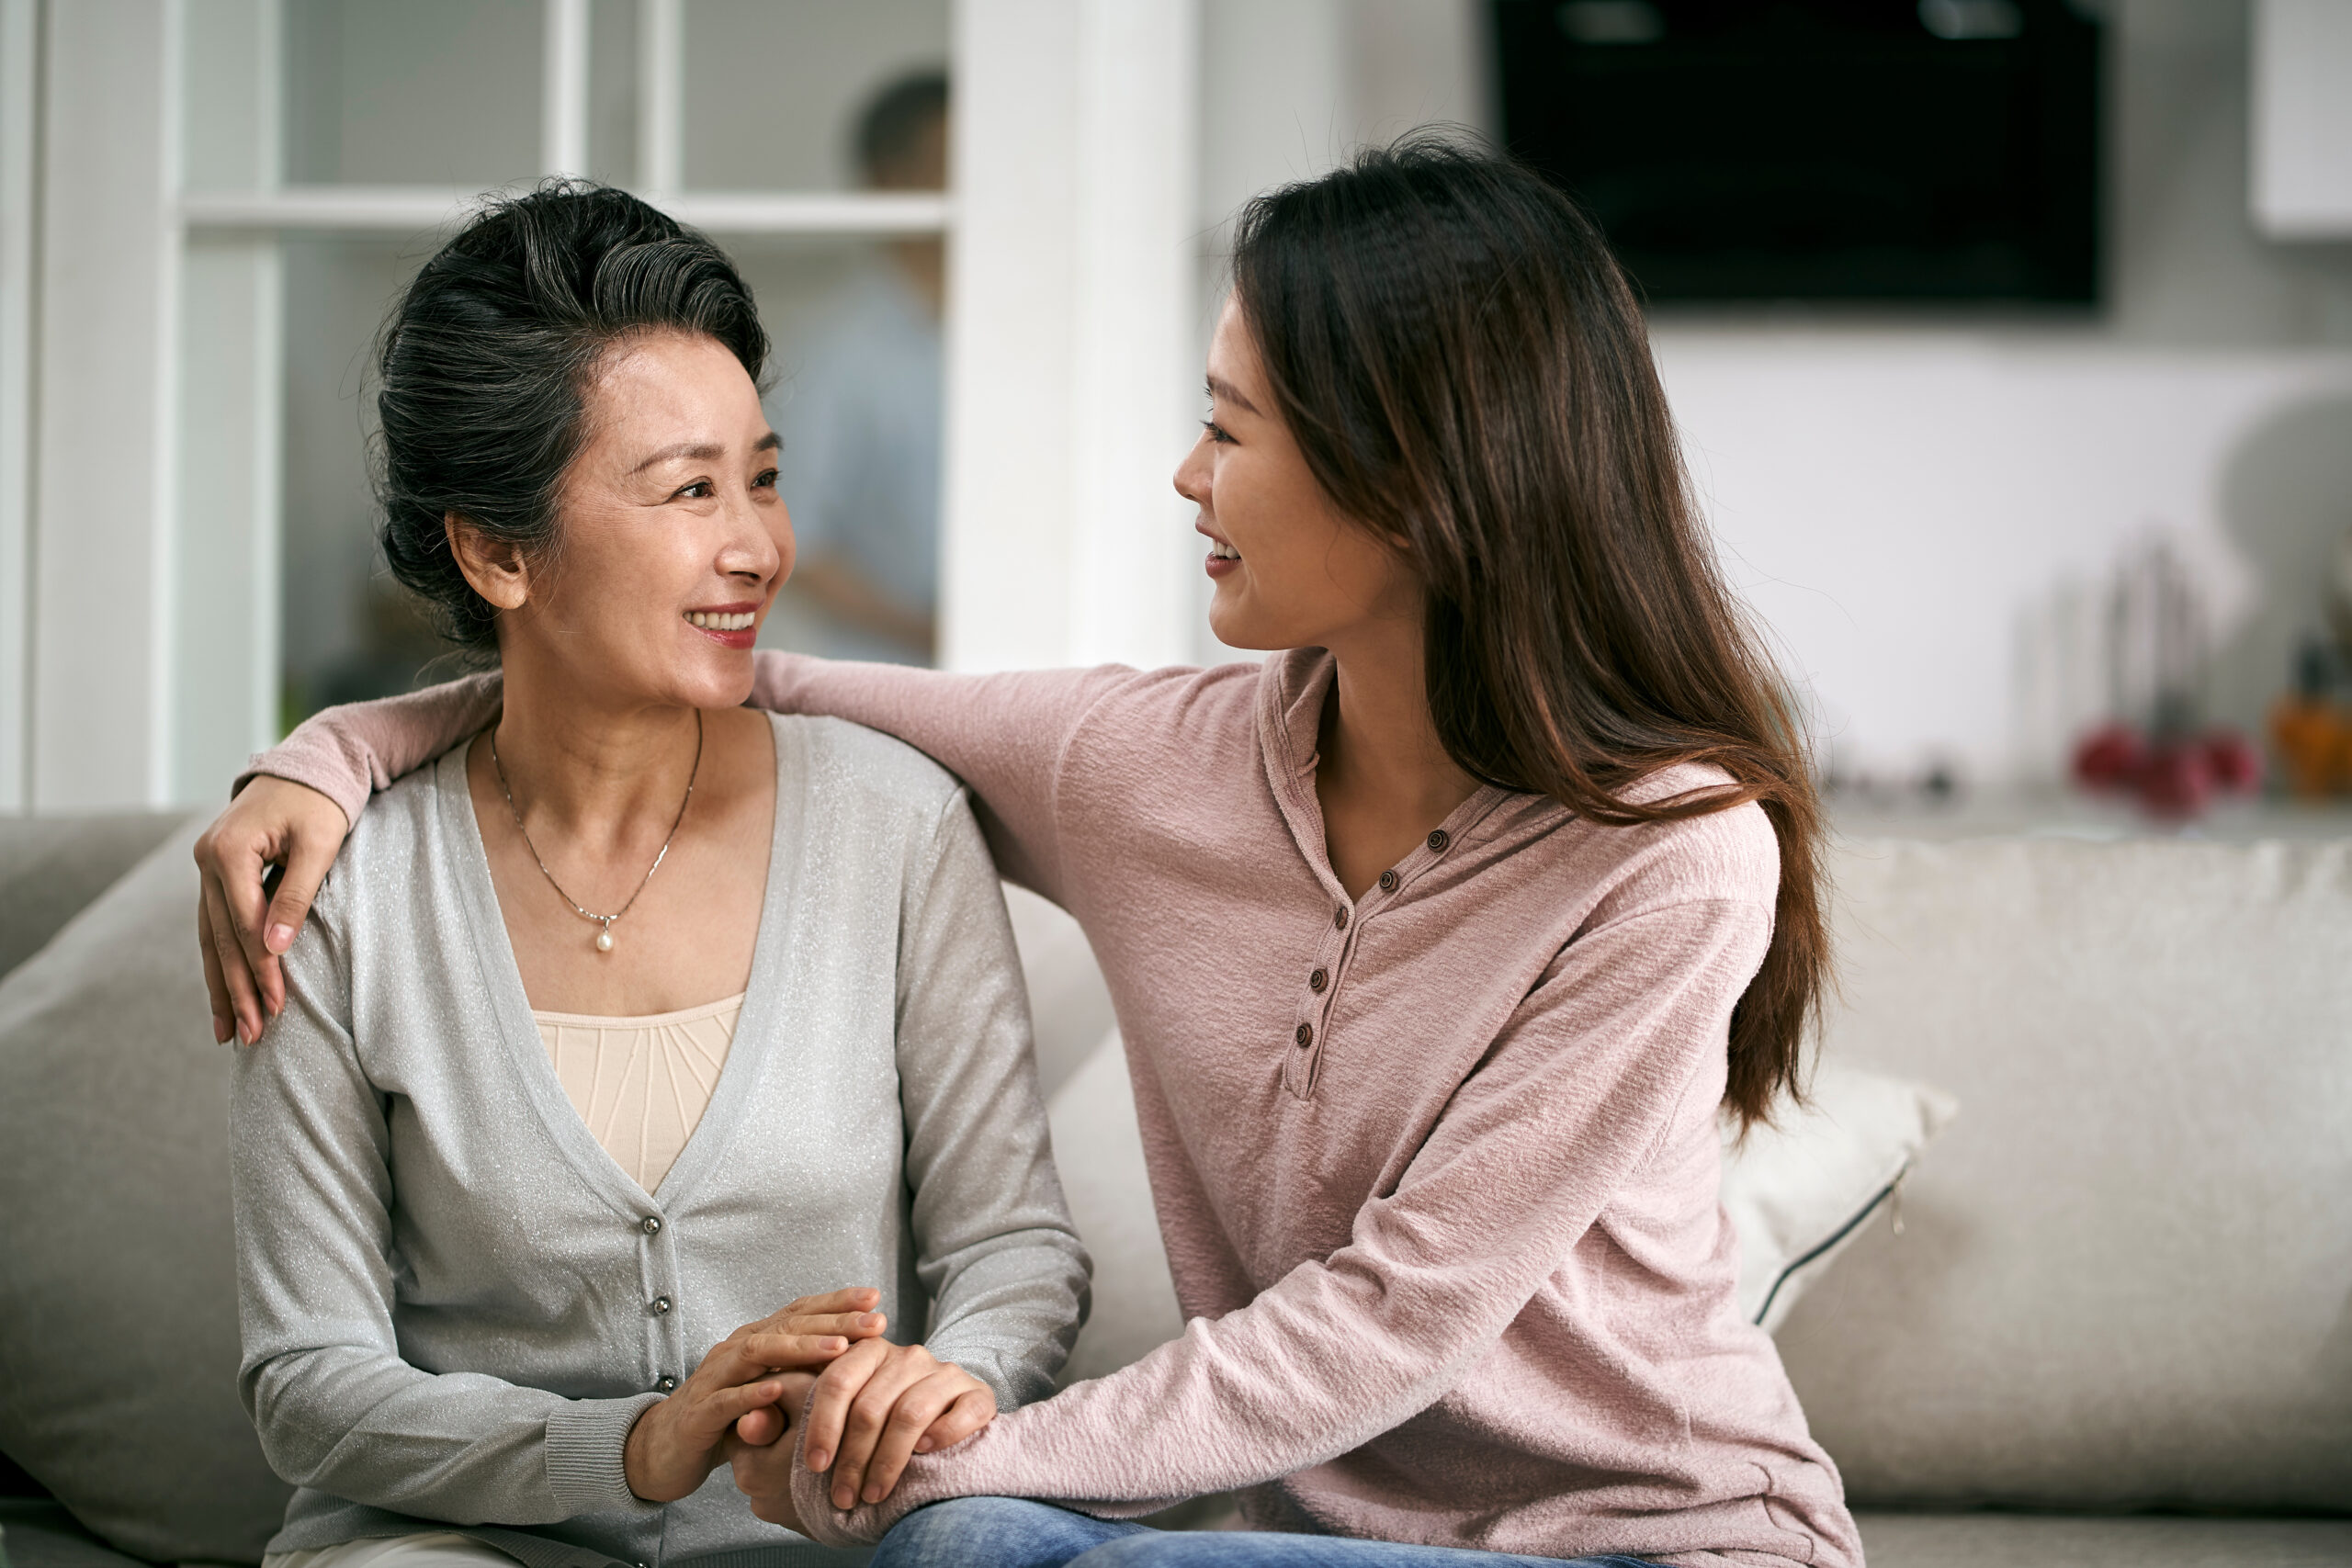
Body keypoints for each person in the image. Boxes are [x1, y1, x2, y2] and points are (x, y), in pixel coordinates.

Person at [200, 140, 1860, 1567]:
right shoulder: (1151, 766)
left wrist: (915, 1455)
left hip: (1657, 1539)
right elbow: (701, 663)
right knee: (968, 1545)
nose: (1187, 474)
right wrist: (340, 749)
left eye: (1236, 429)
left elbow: (1391, 1323)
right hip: (1315, 1544)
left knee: (967, 1526)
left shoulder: (1676, 856)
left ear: (1420, 482)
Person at [222, 183, 1087, 1568]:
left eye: (763, 474)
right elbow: (305, 1379)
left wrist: (945, 1379)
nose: (757, 545)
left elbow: (1017, 1254)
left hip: (813, 1544)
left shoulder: (896, 826)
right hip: (448, 1545)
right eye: (690, 489)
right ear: (497, 548)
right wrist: (630, 1442)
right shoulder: (339, 887)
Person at [767, 72, 950, 664]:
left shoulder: (1027, 341)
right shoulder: (833, 353)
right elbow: (797, 537)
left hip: (1020, 673)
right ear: (888, 181)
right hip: (878, 688)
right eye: (949, 165)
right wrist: (934, 632)